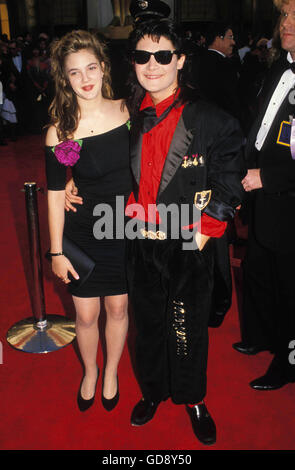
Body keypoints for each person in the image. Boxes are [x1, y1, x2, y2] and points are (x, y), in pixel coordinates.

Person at [124, 18, 244, 445]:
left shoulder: (207, 117)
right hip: (140, 242)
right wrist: (69, 183)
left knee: (186, 325)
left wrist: (207, 229)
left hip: (188, 243)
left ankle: (193, 398)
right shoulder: (129, 117)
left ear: (179, 60)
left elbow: (233, 172)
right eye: (142, 56)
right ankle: (154, 391)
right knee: (150, 324)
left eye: (162, 55)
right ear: (134, 63)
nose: (151, 65)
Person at [45, 30, 132, 412]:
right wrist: (56, 252)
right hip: (83, 230)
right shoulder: (63, 132)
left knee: (117, 309)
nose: (85, 79)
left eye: (91, 67)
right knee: (85, 312)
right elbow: (52, 191)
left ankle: (112, 370)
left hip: (124, 227)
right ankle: (91, 371)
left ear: (103, 67)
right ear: (64, 79)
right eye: (74, 72)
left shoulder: (129, 112)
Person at [232, 0, 295, 391]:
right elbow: (264, 126)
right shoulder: (279, 65)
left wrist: (266, 178)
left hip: (286, 198)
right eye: (286, 15)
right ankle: (262, 336)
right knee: (258, 270)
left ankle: (288, 360)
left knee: (291, 288)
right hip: (260, 194)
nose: (287, 23)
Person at [195, 23, 241, 122]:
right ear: (217, 39)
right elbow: (232, 100)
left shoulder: (198, 60)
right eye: (230, 37)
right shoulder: (225, 65)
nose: (233, 42)